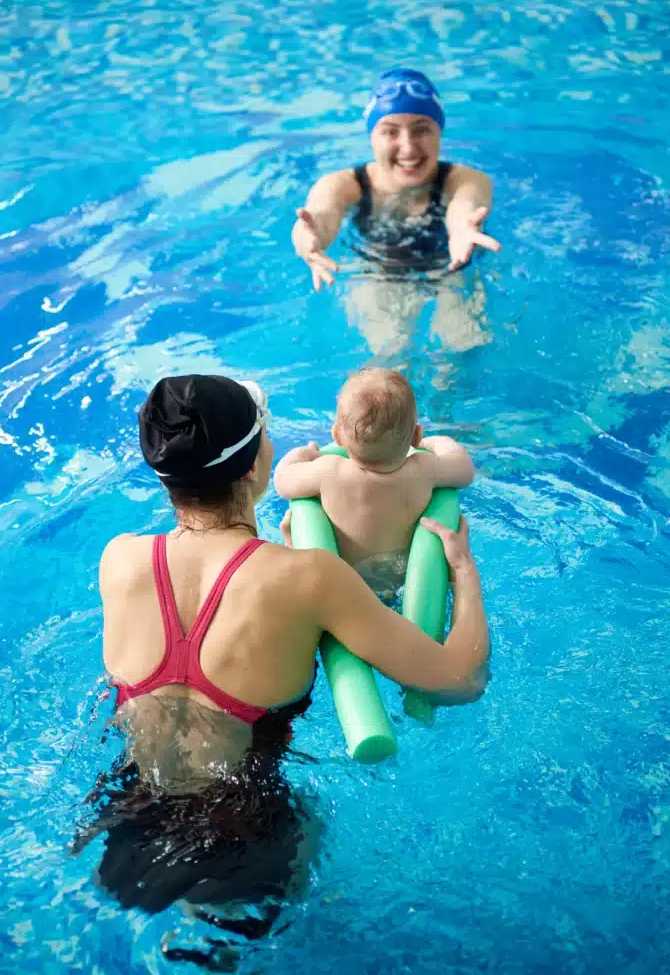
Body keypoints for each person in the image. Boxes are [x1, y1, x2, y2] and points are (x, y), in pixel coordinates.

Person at [77, 373, 489, 951]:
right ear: (253, 465)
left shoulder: (118, 560)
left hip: (125, 820)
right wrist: (464, 572)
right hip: (245, 835)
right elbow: (461, 679)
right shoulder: (309, 578)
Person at [292, 67, 501, 355]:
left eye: (421, 129)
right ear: (372, 137)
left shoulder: (466, 179)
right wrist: (310, 237)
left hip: (453, 268)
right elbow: (321, 215)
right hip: (379, 271)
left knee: (461, 349)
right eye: (390, 131)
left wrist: (463, 228)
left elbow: (466, 204)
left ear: (439, 132)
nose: (408, 147)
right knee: (389, 353)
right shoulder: (344, 184)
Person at [273, 368, 474, 599]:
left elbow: (282, 479)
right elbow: (464, 469)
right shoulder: (423, 470)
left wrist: (305, 452)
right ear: (416, 436)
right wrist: (439, 442)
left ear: (337, 437)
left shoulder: (329, 472)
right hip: (406, 584)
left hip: (349, 590)